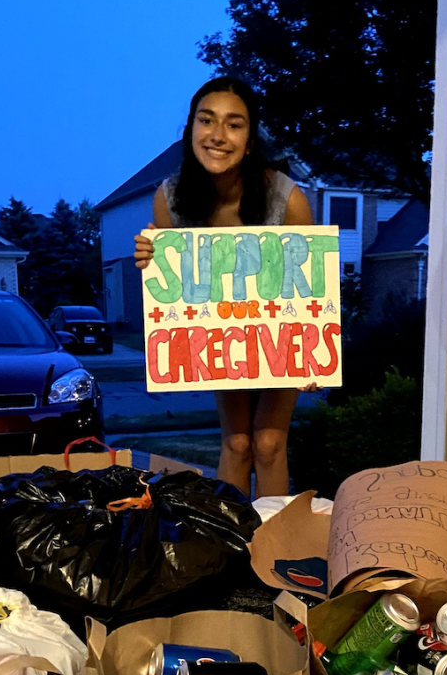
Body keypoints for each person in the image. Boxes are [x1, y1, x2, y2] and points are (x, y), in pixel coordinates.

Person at [135, 76, 316, 496]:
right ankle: (228, 549)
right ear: (191, 129)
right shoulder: (170, 198)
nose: (218, 135)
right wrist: (151, 262)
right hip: (222, 335)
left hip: (276, 329)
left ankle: (275, 553)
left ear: (250, 141)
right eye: (207, 120)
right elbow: (175, 291)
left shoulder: (287, 199)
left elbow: (311, 284)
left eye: (234, 125)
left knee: (268, 443)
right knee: (237, 443)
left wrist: (311, 355)